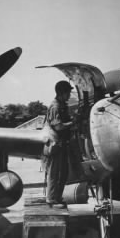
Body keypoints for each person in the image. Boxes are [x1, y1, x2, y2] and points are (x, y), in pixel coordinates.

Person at [44, 80, 74, 208]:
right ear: (62, 93)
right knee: (54, 172)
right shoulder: (55, 106)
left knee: (63, 173)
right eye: (68, 92)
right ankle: (51, 199)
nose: (69, 95)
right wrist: (73, 122)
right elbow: (58, 126)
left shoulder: (62, 105)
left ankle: (57, 197)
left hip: (61, 144)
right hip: (55, 144)